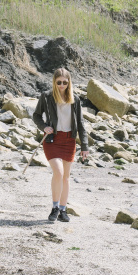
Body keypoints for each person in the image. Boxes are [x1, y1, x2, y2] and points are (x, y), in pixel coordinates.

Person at [32, 68, 89, 222]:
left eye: (65, 82)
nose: (62, 85)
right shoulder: (46, 97)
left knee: (66, 177)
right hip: (52, 140)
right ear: (54, 82)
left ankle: (63, 210)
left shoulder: (75, 99)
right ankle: (55, 207)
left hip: (69, 140)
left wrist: (84, 146)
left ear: (69, 82)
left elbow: (81, 124)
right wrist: (44, 127)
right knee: (58, 172)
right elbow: (36, 115)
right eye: (59, 82)